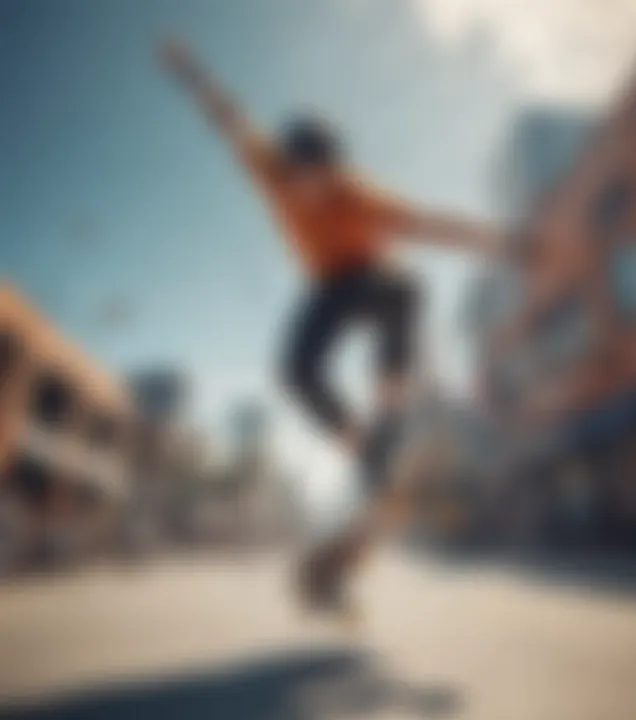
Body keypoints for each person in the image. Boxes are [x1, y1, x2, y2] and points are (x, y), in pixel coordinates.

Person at [159, 39, 503, 612]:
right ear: (288, 167)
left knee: (407, 287)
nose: (308, 190)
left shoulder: (361, 196)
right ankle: (369, 454)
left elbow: (431, 225)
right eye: (300, 178)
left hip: (377, 282)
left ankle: (390, 409)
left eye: (319, 178)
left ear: (335, 169)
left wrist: (498, 241)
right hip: (325, 290)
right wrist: (193, 72)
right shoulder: (270, 168)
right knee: (294, 371)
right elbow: (231, 118)